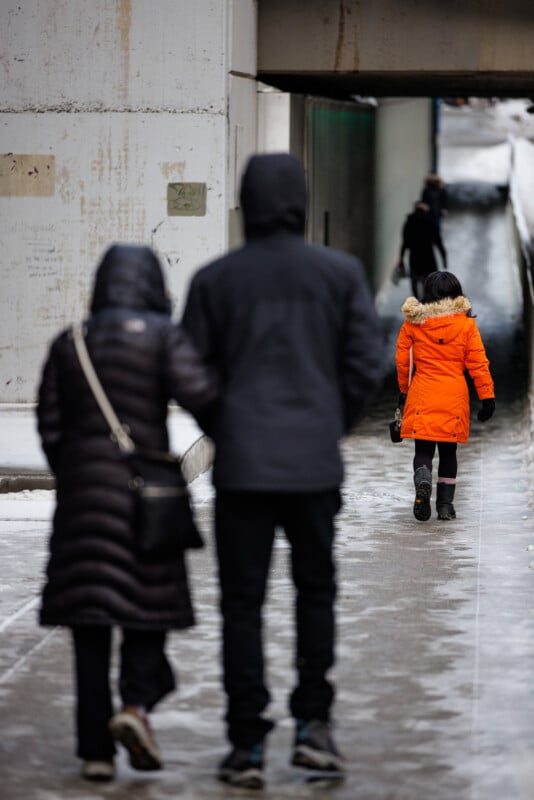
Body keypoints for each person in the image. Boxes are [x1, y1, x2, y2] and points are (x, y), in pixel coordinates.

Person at [181, 152, 384, 789]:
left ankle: (245, 742)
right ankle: (314, 728)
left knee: (242, 603)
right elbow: (365, 365)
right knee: (314, 592)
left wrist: (225, 423)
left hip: (242, 471)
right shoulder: (339, 273)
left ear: (247, 200)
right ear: (300, 199)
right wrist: (330, 422)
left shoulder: (216, 279)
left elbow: (188, 370)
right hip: (313, 468)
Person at [36, 244, 217, 782]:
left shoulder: (70, 343)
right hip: (148, 504)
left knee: (90, 626)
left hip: (83, 506)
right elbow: (202, 397)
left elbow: (50, 425)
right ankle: (135, 707)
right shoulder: (164, 338)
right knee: (147, 610)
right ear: (153, 287)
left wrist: (78, 474)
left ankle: (95, 750)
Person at [395, 271, 495, 522]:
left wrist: (403, 391)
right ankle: (445, 506)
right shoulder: (466, 325)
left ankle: (423, 481)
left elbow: (402, 359)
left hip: (422, 392)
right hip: (453, 395)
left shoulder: (413, 322)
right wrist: (487, 396)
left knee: (423, 449)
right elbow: (478, 363)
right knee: (449, 452)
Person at [397, 202, 447, 301]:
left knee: (415, 283)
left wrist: (401, 259)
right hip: (428, 258)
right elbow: (438, 242)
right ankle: (427, 304)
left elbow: (404, 243)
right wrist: (444, 257)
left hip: (415, 258)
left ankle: (418, 303)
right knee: (429, 284)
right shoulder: (430, 221)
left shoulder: (410, 222)